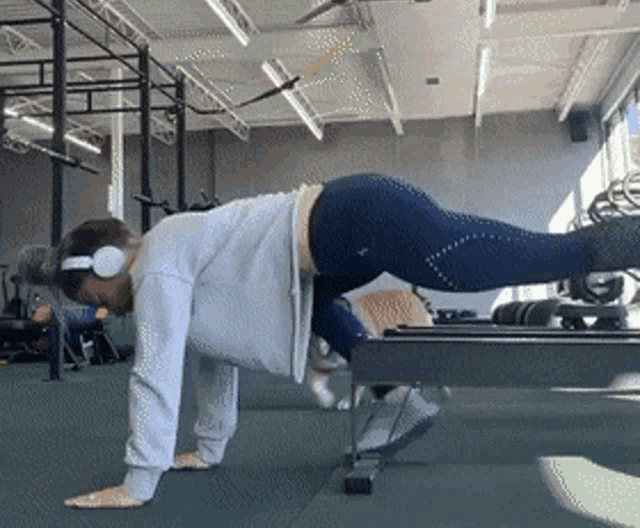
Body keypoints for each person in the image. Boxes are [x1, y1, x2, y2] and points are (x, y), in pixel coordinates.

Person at [20, 172, 640, 509]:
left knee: (541, 257)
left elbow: (153, 369)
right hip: (351, 225)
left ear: (108, 262)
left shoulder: (158, 265)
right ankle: (399, 396)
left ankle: (626, 239)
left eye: (97, 296)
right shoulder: (174, 260)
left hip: (362, 221)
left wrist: (139, 480)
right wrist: (208, 449)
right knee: (319, 304)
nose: (104, 308)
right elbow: (215, 353)